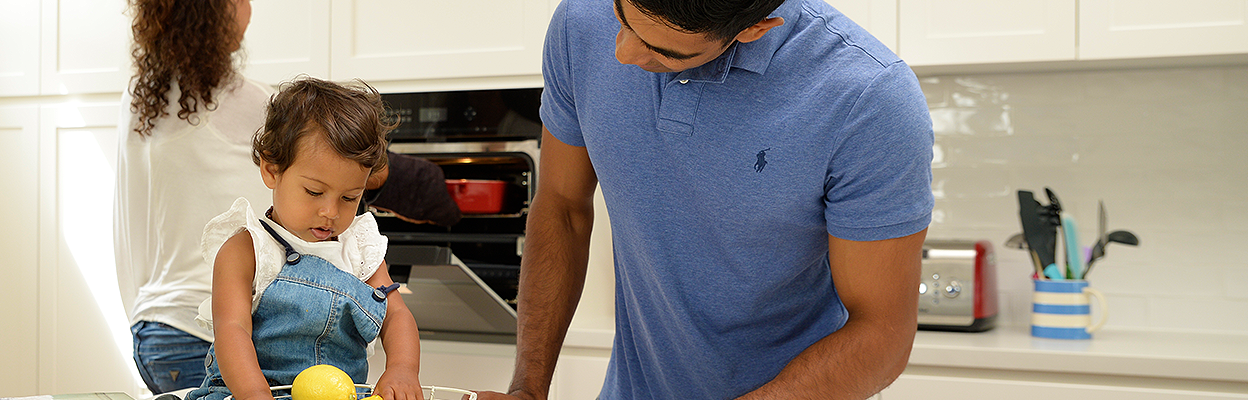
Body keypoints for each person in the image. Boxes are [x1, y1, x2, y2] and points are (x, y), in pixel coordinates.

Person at [480, 0, 933, 399]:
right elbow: (562, 207)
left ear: (755, 28)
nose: (622, 52)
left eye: (665, 51)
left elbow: (881, 332)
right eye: (622, 16)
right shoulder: (581, 19)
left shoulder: (869, 98)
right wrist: (527, 389)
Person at [184, 78, 423, 400]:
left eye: (350, 198)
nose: (330, 211)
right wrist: (255, 394)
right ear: (271, 169)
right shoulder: (247, 247)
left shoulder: (359, 249)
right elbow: (232, 329)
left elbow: (396, 315)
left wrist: (403, 368)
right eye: (314, 192)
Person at [113, 0, 270, 394]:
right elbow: (332, 151)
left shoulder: (140, 100)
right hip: (203, 333)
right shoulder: (244, 101)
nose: (250, 9)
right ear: (213, 12)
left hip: (154, 329)